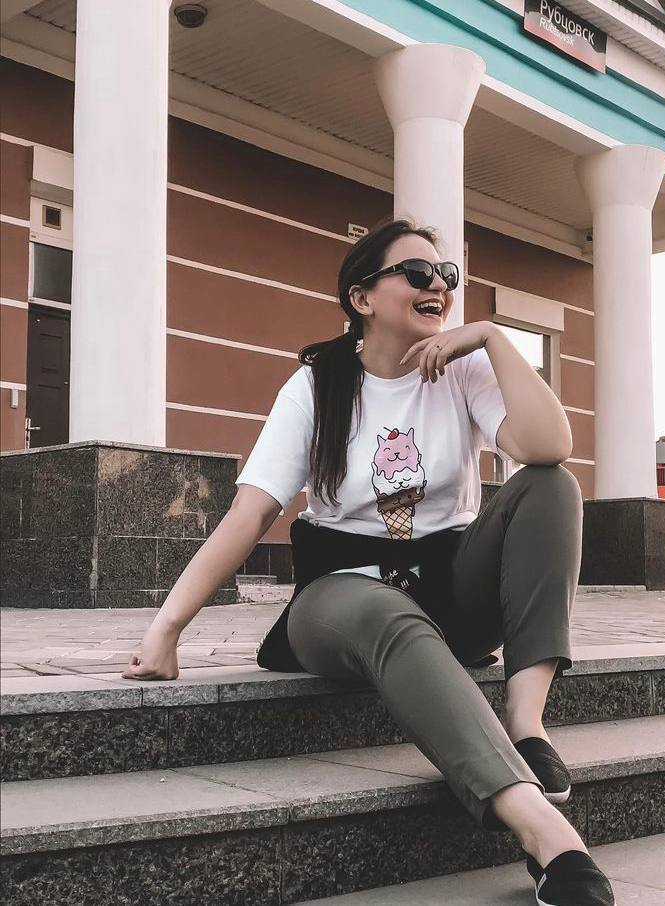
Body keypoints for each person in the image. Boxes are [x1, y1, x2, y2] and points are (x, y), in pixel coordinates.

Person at [122, 216, 615, 906]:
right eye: (416, 273)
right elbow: (250, 515)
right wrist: (167, 628)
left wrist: (493, 337)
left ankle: (526, 724)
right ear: (362, 297)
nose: (437, 285)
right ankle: (545, 833)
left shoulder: (465, 370)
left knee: (552, 485)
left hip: (448, 586)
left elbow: (549, 445)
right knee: (381, 610)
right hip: (341, 593)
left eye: (447, 276)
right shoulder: (317, 385)